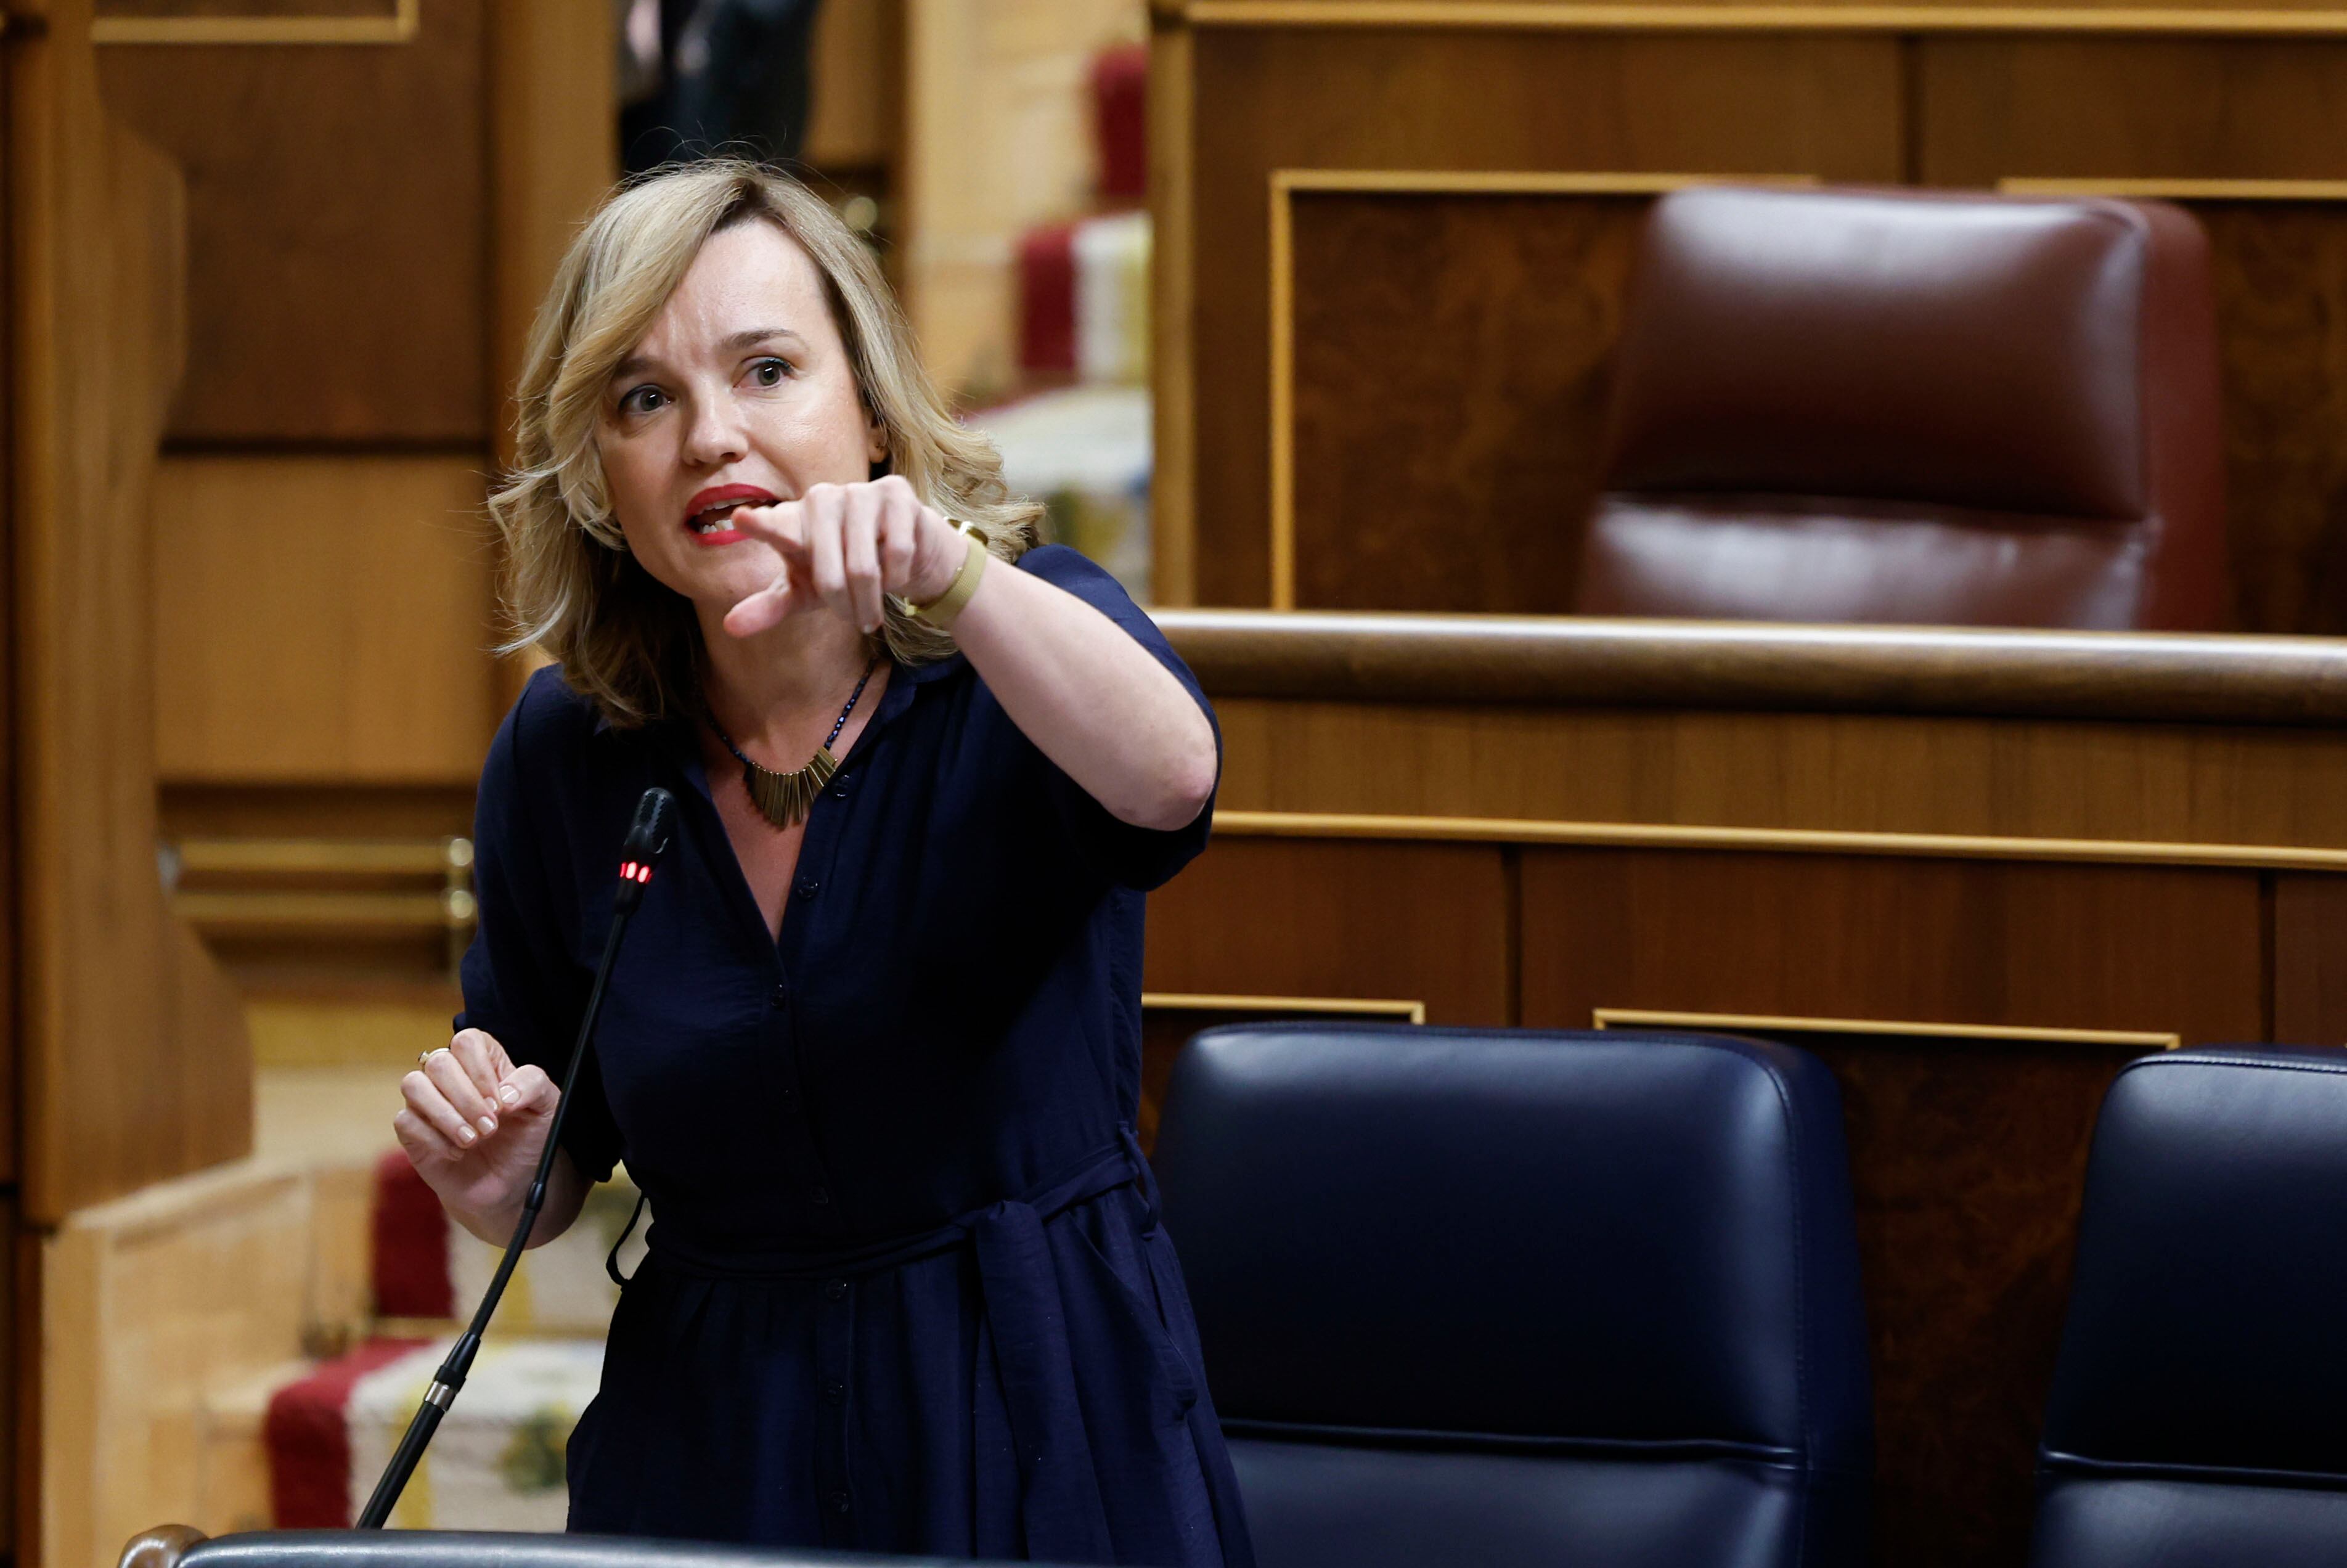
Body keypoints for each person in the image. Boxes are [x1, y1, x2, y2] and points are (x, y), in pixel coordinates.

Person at [391, 158, 1251, 1567]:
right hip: (718, 1438)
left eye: (768, 370)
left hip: (1034, 1406)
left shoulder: (1014, 639)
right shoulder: (566, 753)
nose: (710, 438)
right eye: (644, 400)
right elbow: (548, 1154)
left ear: (867, 414)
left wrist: (954, 576)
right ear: (600, 475)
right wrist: (500, 1180)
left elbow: (1171, 783)